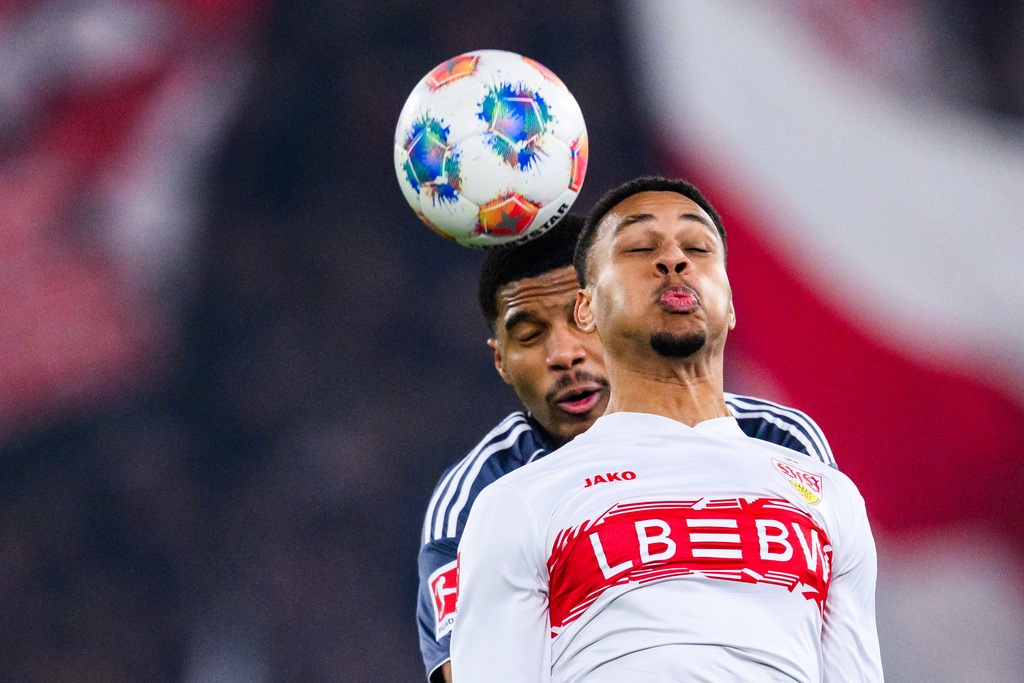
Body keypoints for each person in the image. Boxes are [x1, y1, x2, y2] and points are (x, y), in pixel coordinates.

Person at [450, 178, 882, 682]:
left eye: (698, 248)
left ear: (732, 303)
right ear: (586, 309)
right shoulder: (521, 504)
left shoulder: (829, 497)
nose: (675, 261)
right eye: (639, 248)